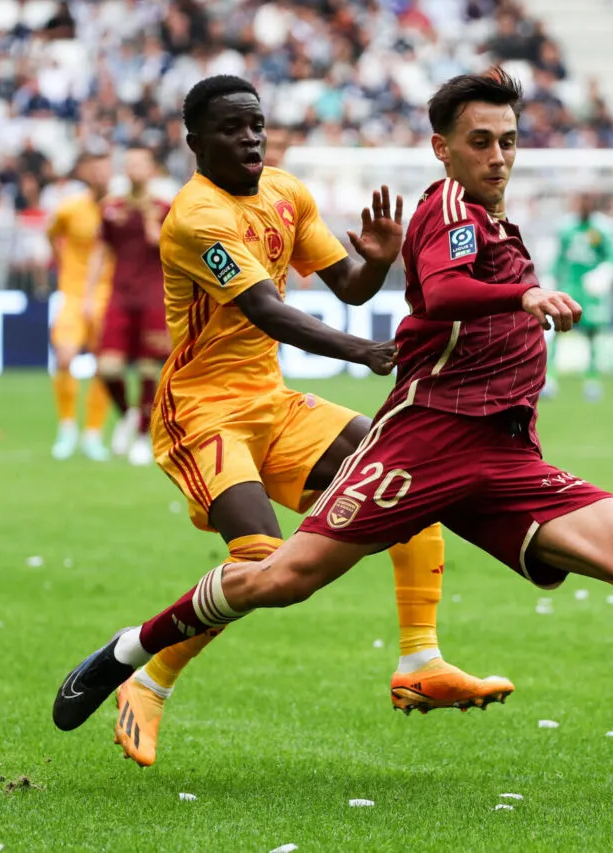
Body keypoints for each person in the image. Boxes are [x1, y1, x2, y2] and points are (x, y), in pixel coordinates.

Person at [53, 71, 613, 788]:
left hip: (497, 451)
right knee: (276, 571)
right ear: (444, 148)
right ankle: (135, 653)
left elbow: (356, 286)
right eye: (481, 140)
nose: (498, 155)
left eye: (509, 140)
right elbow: (434, 290)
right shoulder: (442, 209)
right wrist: (517, 298)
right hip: (394, 437)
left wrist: (376, 262)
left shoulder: (374, 206)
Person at [71, 74, 512, 769]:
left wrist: (380, 258)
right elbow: (267, 312)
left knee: (407, 472)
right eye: (229, 128)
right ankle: (149, 676)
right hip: (202, 412)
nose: (249, 137)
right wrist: (363, 350)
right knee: (259, 561)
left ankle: (420, 658)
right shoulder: (195, 216)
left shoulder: (286, 192)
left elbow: (347, 284)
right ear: (194, 143)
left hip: (270, 402)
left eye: (256, 124)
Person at [94, 148, 172, 467]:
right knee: (107, 367)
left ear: (151, 169)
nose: (133, 169)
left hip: (153, 295)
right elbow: (101, 251)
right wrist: (88, 295)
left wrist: (155, 227)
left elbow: (170, 252)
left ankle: (143, 435)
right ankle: (128, 416)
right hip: (119, 295)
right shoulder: (112, 208)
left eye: (139, 164)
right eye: (128, 164)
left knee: (147, 368)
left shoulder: (163, 208)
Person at [47, 153, 114, 461]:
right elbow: (52, 236)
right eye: (95, 169)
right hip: (73, 295)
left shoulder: (119, 209)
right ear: (87, 173)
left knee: (104, 364)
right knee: (64, 356)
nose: (101, 174)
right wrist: (65, 268)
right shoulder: (70, 208)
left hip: (108, 295)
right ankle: (67, 427)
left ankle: (93, 433)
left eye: (105, 168)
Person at [546, 192, 613, 402]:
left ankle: (592, 381)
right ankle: (549, 378)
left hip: (592, 292)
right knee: (554, 333)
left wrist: (603, 274)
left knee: (594, 335)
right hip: (568, 288)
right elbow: (559, 257)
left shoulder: (604, 228)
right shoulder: (566, 228)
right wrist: (550, 278)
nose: (582, 206)